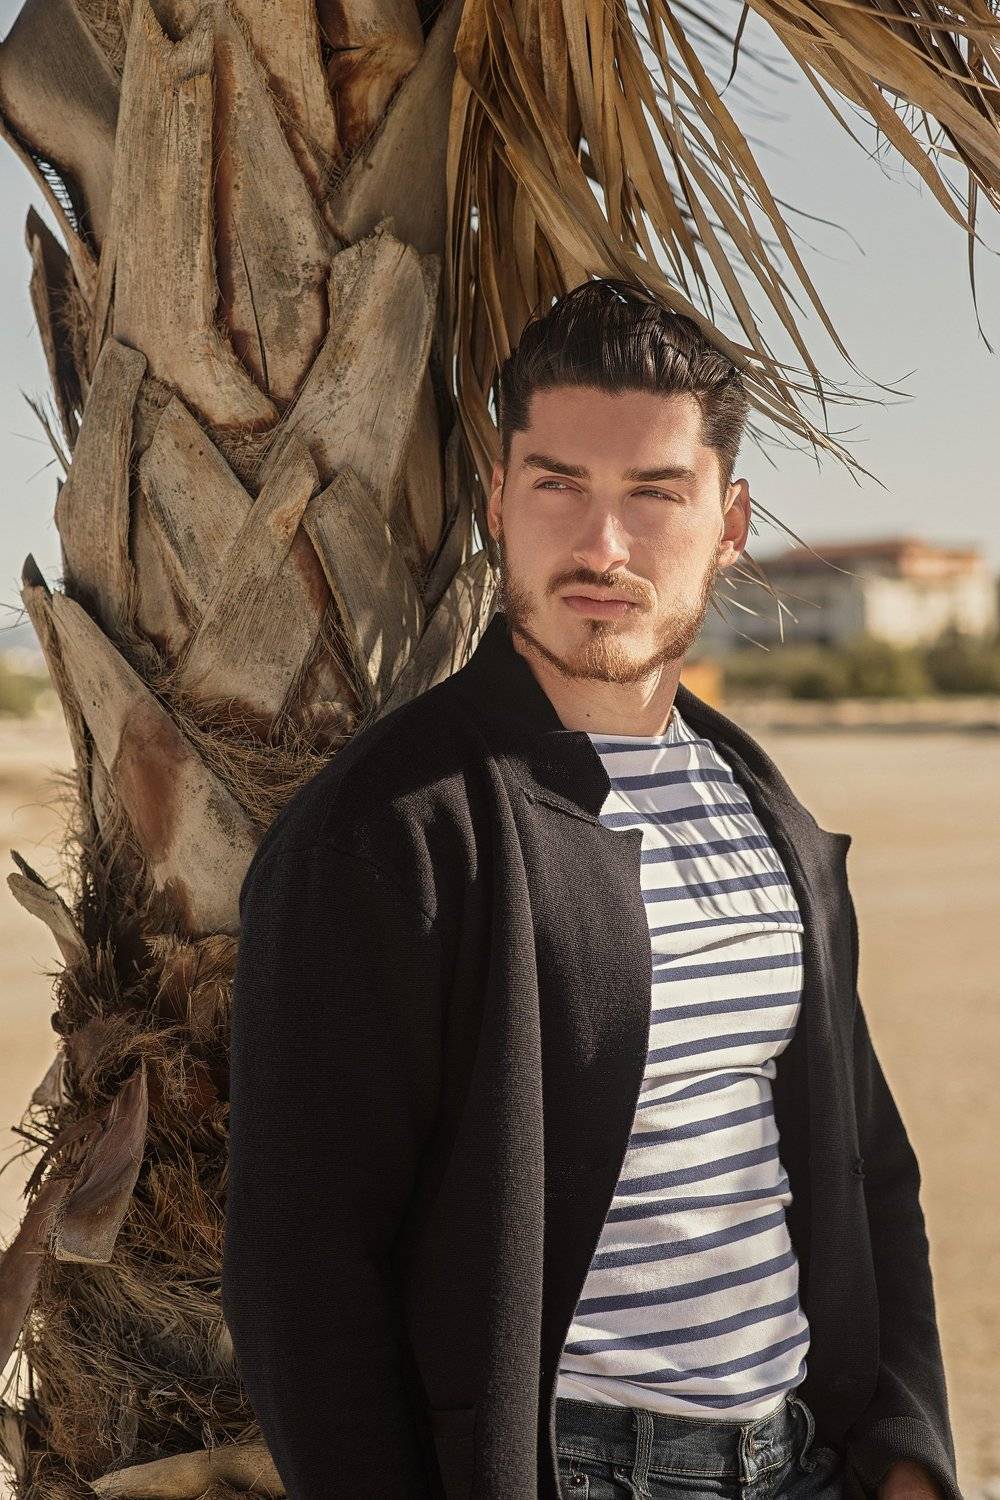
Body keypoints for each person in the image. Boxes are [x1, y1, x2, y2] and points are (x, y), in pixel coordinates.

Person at [222, 279, 960, 1500]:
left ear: (728, 523)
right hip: (567, 1470)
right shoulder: (390, 829)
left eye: (654, 494)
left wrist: (906, 1449)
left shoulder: (759, 805)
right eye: (557, 485)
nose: (601, 548)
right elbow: (303, 1268)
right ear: (498, 501)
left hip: (802, 1460)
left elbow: (865, 1162)